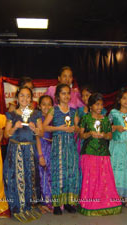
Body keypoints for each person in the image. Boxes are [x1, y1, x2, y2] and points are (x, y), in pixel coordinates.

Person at [3, 86, 45, 222]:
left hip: (30, 150)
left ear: (31, 99)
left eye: (28, 96)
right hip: (16, 150)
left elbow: (42, 133)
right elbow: (6, 134)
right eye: (22, 96)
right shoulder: (11, 114)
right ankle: (18, 207)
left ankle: (28, 206)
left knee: (30, 178)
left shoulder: (36, 114)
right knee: (17, 178)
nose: (25, 99)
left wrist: (35, 129)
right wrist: (15, 127)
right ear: (17, 98)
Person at [78, 93, 122, 216]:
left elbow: (109, 135)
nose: (99, 107)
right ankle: (90, 204)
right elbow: (81, 135)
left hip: (103, 152)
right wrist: (89, 134)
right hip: (89, 152)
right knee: (91, 178)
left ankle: (105, 203)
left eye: (101, 104)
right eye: (97, 104)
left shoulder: (105, 119)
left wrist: (103, 135)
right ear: (90, 106)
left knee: (104, 178)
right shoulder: (86, 119)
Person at [43, 83, 81, 215]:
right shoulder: (54, 110)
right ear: (58, 96)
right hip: (58, 144)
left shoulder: (73, 111)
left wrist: (74, 128)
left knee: (71, 172)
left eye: (68, 93)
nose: (66, 96)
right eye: (63, 93)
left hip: (70, 145)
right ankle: (58, 204)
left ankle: (69, 202)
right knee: (58, 173)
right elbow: (44, 127)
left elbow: (78, 128)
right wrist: (60, 128)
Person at [37, 95, 54, 213]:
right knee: (42, 174)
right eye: (43, 104)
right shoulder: (38, 119)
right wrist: (40, 155)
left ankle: (52, 200)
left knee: (52, 174)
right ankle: (44, 202)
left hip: (53, 148)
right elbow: (38, 136)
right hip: (42, 148)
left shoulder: (55, 119)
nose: (46, 107)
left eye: (49, 104)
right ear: (39, 106)